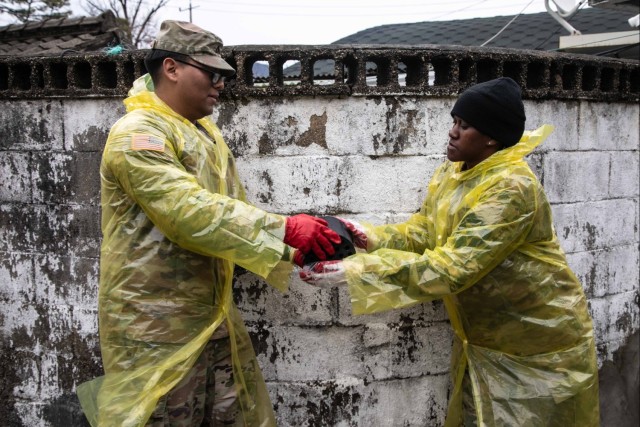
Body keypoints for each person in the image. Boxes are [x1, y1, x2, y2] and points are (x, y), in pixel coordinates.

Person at [77, 20, 341, 427]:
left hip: (210, 316)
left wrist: (297, 248)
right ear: (171, 68)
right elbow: (188, 212)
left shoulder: (202, 134)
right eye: (212, 73)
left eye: (225, 76)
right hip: (155, 329)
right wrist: (284, 230)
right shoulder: (139, 134)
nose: (221, 84)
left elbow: (231, 212)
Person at [301, 78, 600, 426]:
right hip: (486, 342)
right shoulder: (455, 174)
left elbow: (454, 267)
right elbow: (424, 232)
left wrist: (357, 271)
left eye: (465, 125)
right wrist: (368, 238)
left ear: (492, 137)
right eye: (454, 121)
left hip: (539, 349)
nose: (452, 132)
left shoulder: (510, 188)